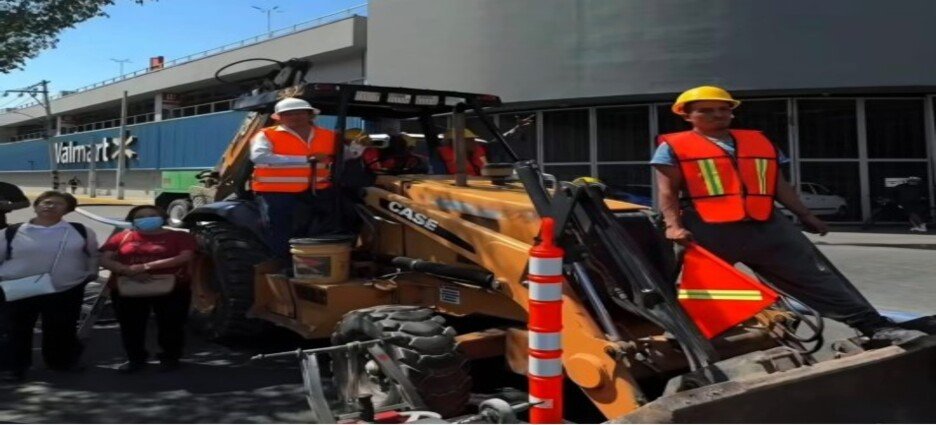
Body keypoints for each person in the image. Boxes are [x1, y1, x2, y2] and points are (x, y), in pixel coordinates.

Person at [651, 85, 926, 345]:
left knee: (816, 277)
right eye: (706, 110)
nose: (717, 115)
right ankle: (685, 343)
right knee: (701, 290)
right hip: (708, 229)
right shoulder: (674, 147)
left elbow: (779, 185)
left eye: (724, 109)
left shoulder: (758, 142)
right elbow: (667, 192)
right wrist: (673, 226)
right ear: (687, 115)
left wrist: (806, 215)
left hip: (767, 224)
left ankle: (875, 328)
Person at [0, 191, 99, 382]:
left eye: (58, 203)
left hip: (65, 289)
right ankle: (14, 367)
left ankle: (61, 362)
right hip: (19, 289)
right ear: (36, 206)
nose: (50, 206)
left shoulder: (81, 231)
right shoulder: (11, 233)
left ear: (68, 210)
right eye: (46, 202)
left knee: (62, 328)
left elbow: (93, 254)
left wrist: (91, 272)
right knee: (15, 329)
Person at [99, 205, 196, 373]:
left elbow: (185, 257)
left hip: (172, 288)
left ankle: (170, 357)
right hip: (128, 287)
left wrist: (145, 267)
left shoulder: (179, 236)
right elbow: (105, 259)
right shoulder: (121, 237)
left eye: (152, 215)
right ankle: (135, 359)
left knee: (171, 325)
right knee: (131, 326)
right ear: (133, 220)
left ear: (163, 218)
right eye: (141, 216)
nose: (147, 218)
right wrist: (127, 271)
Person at [250, 97, 341, 261]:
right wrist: (306, 159)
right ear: (280, 117)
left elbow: (345, 156)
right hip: (276, 192)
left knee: (323, 227)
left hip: (317, 191)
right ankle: (283, 264)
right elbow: (260, 157)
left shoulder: (329, 135)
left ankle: (319, 260)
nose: (294, 117)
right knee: (280, 230)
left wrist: (358, 147)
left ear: (309, 115)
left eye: (299, 112)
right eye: (288, 114)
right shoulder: (266, 134)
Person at [362, 134, 428, 174]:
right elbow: (376, 172)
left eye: (410, 148)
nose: (409, 151)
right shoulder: (372, 153)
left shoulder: (415, 159)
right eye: (404, 147)